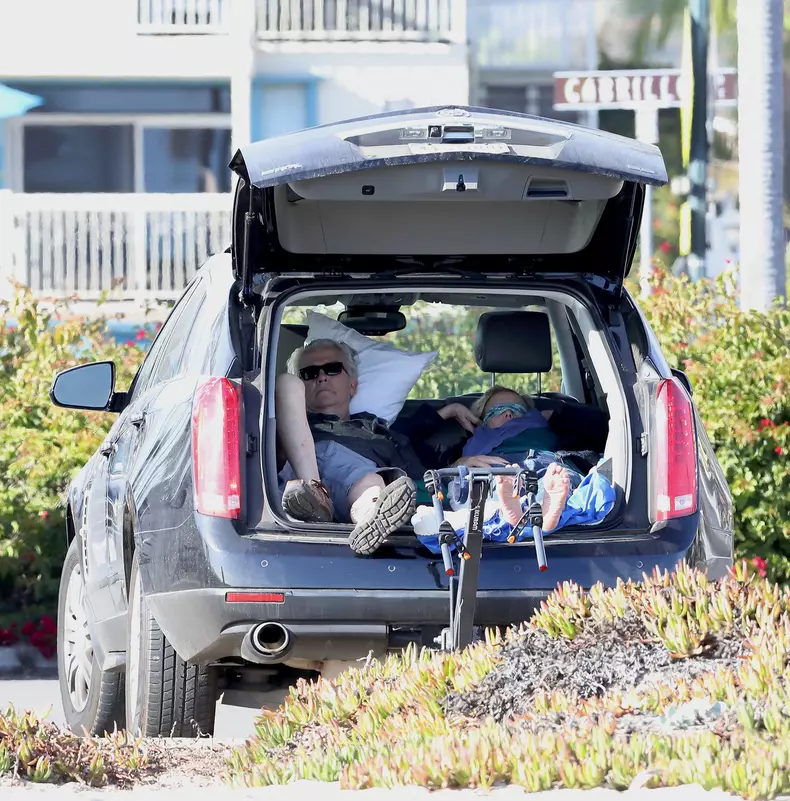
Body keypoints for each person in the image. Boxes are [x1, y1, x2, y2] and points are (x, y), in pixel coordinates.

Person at [275, 338, 479, 555]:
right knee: (285, 382)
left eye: (332, 369)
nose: (322, 377)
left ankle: (370, 518)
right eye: (309, 373)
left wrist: (451, 416)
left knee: (372, 482)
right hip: (300, 471)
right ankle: (319, 495)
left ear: (353, 385)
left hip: (356, 481)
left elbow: (415, 447)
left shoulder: (376, 430)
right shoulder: (285, 424)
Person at [412, 385, 614, 546]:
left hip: (543, 466)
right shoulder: (466, 442)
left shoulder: (547, 428)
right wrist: (451, 413)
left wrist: (557, 414)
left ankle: (526, 514)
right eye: (497, 410)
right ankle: (532, 516)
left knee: (557, 480)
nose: (508, 414)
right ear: (480, 419)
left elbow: (605, 424)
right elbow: (405, 447)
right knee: (464, 487)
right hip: (490, 476)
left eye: (516, 410)